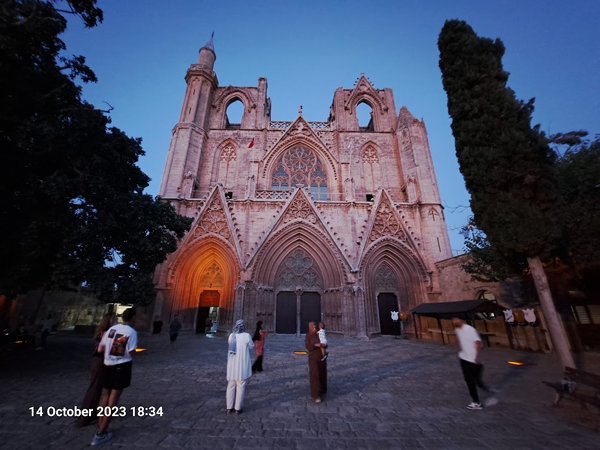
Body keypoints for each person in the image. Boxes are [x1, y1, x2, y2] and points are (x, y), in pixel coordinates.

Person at [90, 308, 137, 446]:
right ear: (133, 318)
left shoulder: (112, 329)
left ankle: (100, 425)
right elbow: (131, 351)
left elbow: (100, 349)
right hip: (121, 367)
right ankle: (101, 433)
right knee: (113, 400)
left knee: (104, 397)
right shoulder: (132, 332)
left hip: (107, 366)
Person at [77, 313, 116, 427]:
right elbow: (101, 349)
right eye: (115, 320)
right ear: (110, 321)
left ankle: (93, 413)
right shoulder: (108, 332)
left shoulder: (103, 331)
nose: (117, 322)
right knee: (95, 388)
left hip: (100, 361)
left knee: (98, 388)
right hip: (101, 362)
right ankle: (85, 417)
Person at [452, 317, 494, 410]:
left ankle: (480, 395)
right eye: (453, 320)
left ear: (461, 320)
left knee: (475, 380)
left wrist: (476, 357)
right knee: (469, 380)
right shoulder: (457, 330)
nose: (454, 322)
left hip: (472, 359)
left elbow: (478, 343)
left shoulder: (470, 329)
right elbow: (460, 341)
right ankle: (476, 401)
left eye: (456, 320)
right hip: (463, 358)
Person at [226, 319, 254, 415]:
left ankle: (229, 408)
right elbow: (251, 346)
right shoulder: (246, 336)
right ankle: (238, 408)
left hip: (232, 366)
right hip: (241, 365)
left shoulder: (231, 336)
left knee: (230, 386)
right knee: (241, 387)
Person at [305, 321, 327, 403]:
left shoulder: (319, 334)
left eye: (315, 326)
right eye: (313, 326)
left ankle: (322, 391)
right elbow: (307, 346)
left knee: (322, 374)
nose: (314, 327)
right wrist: (315, 345)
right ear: (310, 327)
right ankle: (316, 395)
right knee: (315, 375)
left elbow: (325, 341)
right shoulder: (308, 336)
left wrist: (324, 345)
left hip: (321, 357)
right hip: (313, 358)